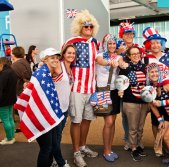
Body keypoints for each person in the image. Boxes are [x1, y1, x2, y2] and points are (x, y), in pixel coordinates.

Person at [14, 48, 65, 167]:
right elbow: (37, 98)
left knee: (49, 146)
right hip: (41, 117)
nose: (56, 60)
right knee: (46, 148)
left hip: (45, 116)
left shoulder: (46, 72)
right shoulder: (41, 74)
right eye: (52, 57)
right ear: (44, 59)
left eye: (57, 57)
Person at [63, 10, 99, 167]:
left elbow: (97, 61)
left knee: (87, 120)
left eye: (91, 26)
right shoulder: (72, 41)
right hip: (76, 88)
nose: (89, 28)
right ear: (80, 27)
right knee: (76, 121)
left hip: (91, 88)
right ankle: (76, 151)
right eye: (86, 26)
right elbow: (64, 59)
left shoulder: (94, 42)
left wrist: (112, 61)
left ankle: (83, 146)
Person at [142, 27, 169, 139]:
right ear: (149, 45)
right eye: (153, 43)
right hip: (154, 94)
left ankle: (168, 144)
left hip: (168, 93)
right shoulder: (146, 59)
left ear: (161, 44)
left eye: (158, 42)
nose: (155, 45)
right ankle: (158, 145)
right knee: (155, 121)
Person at [116, 21, 144, 150]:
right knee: (125, 115)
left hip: (136, 86)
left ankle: (137, 140)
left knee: (137, 116)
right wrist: (120, 57)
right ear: (122, 35)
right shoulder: (118, 47)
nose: (129, 36)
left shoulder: (138, 47)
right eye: (126, 34)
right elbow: (116, 61)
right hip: (122, 84)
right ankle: (128, 139)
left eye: (131, 33)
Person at [119, 46, 149, 161]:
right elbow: (120, 82)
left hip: (144, 101)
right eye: (133, 54)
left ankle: (138, 143)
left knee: (140, 127)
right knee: (133, 128)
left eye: (138, 53)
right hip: (130, 102)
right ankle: (133, 148)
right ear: (129, 56)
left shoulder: (144, 67)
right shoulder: (125, 67)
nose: (136, 55)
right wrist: (120, 90)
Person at [95, 34, 121, 162]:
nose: (112, 46)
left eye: (113, 43)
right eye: (109, 43)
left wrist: (122, 63)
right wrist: (110, 62)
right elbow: (100, 62)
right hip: (102, 90)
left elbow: (122, 63)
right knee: (108, 122)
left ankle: (110, 148)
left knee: (114, 121)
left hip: (115, 91)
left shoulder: (119, 56)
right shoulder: (99, 55)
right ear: (105, 44)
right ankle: (106, 150)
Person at [51, 44, 76, 167]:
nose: (71, 55)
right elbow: (45, 70)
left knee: (58, 136)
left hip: (64, 107)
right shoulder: (58, 66)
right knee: (55, 137)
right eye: (69, 53)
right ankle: (59, 162)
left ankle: (53, 160)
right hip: (55, 107)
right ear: (63, 54)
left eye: (73, 53)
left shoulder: (71, 68)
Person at [0, 57, 17, 145]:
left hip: (3, 101)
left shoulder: (4, 74)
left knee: (6, 120)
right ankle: (11, 137)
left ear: (2, 64)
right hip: (11, 99)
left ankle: (9, 138)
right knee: (10, 119)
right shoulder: (12, 71)